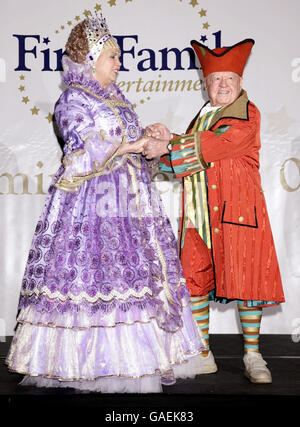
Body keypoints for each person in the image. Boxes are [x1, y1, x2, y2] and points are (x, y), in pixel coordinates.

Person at [5, 12, 206, 393]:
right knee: (92, 280)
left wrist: (151, 138)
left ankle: (139, 359)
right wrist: (129, 145)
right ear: (91, 59)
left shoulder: (116, 99)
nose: (118, 63)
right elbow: (78, 152)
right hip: (90, 206)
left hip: (130, 203)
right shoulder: (72, 99)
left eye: (117, 56)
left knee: (135, 280)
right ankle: (90, 365)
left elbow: (130, 145)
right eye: (112, 56)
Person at [144, 38, 285, 384]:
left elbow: (218, 144)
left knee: (248, 285)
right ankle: (202, 352)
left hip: (238, 217)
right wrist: (161, 143)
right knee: (194, 283)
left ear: (240, 83)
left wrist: (168, 145)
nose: (222, 85)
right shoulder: (203, 117)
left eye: (229, 79)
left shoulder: (246, 114)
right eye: (215, 79)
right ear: (205, 84)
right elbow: (187, 157)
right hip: (197, 219)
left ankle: (253, 355)